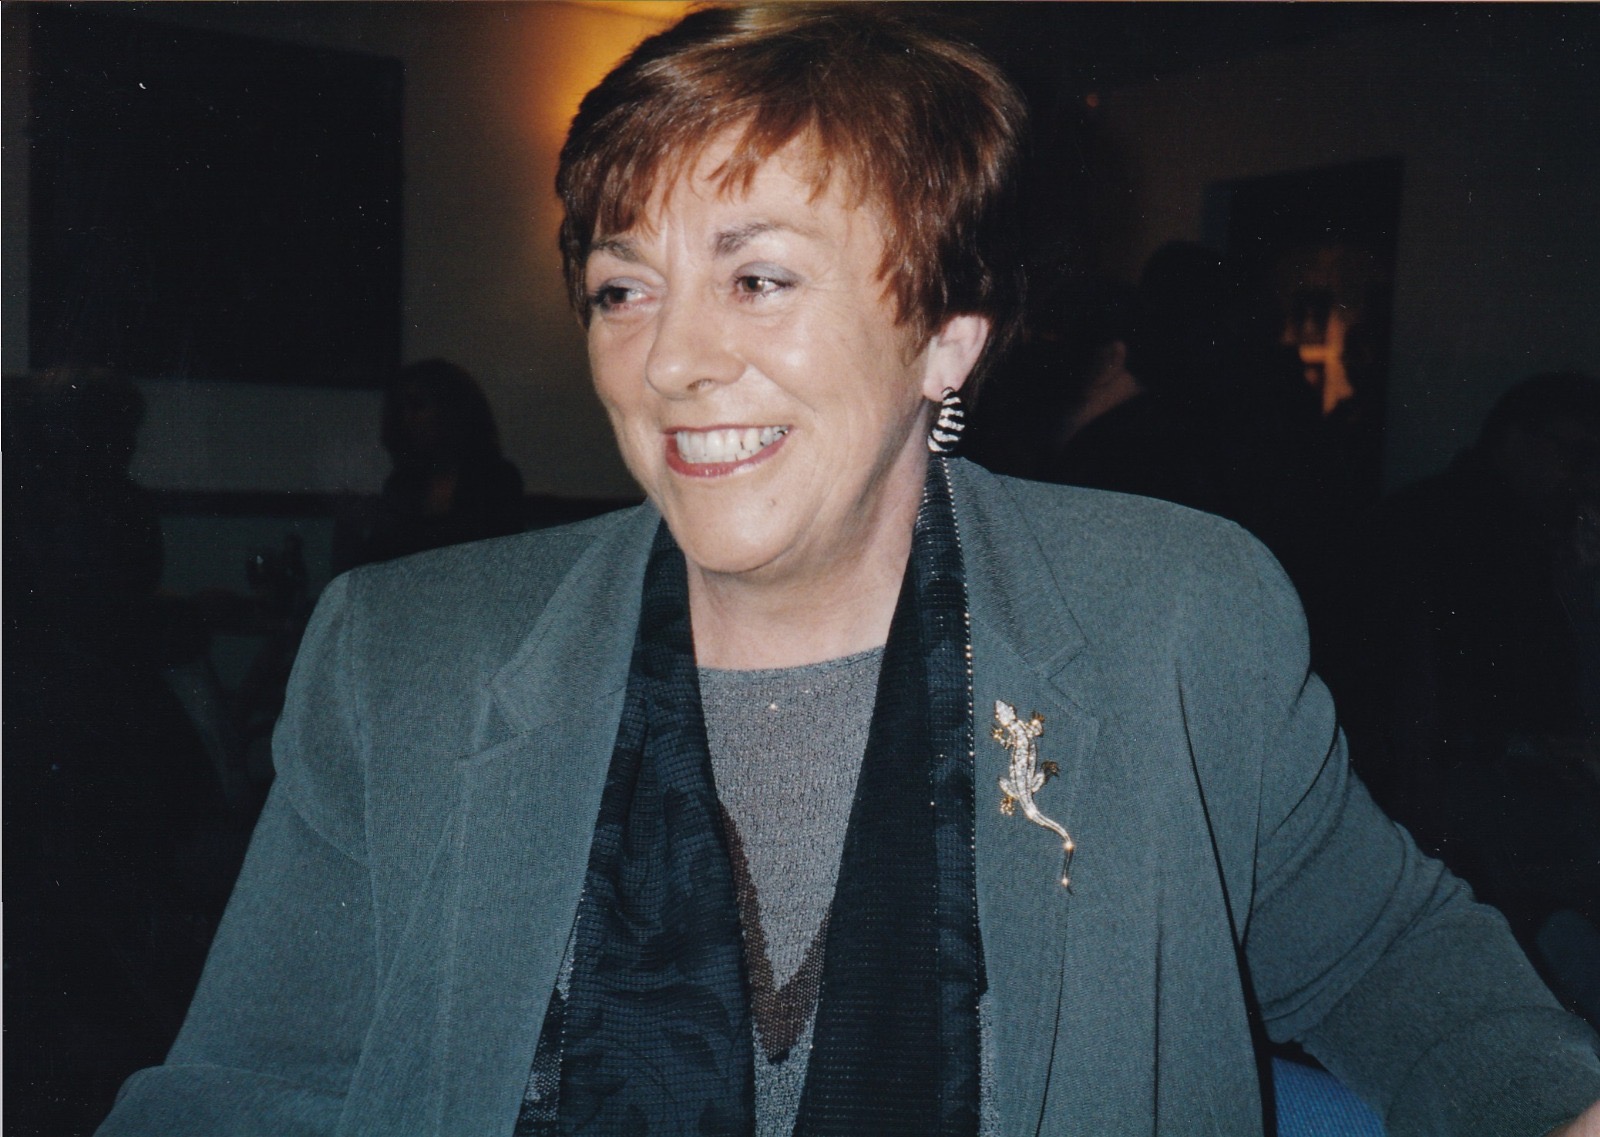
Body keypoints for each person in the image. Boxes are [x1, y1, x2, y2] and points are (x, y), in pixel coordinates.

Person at [98, 7, 1600, 1136]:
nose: (671, 360)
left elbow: (1385, 958)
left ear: (946, 335)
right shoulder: (407, 657)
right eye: (623, 287)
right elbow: (245, 1091)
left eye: (758, 277)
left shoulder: (1171, 619)